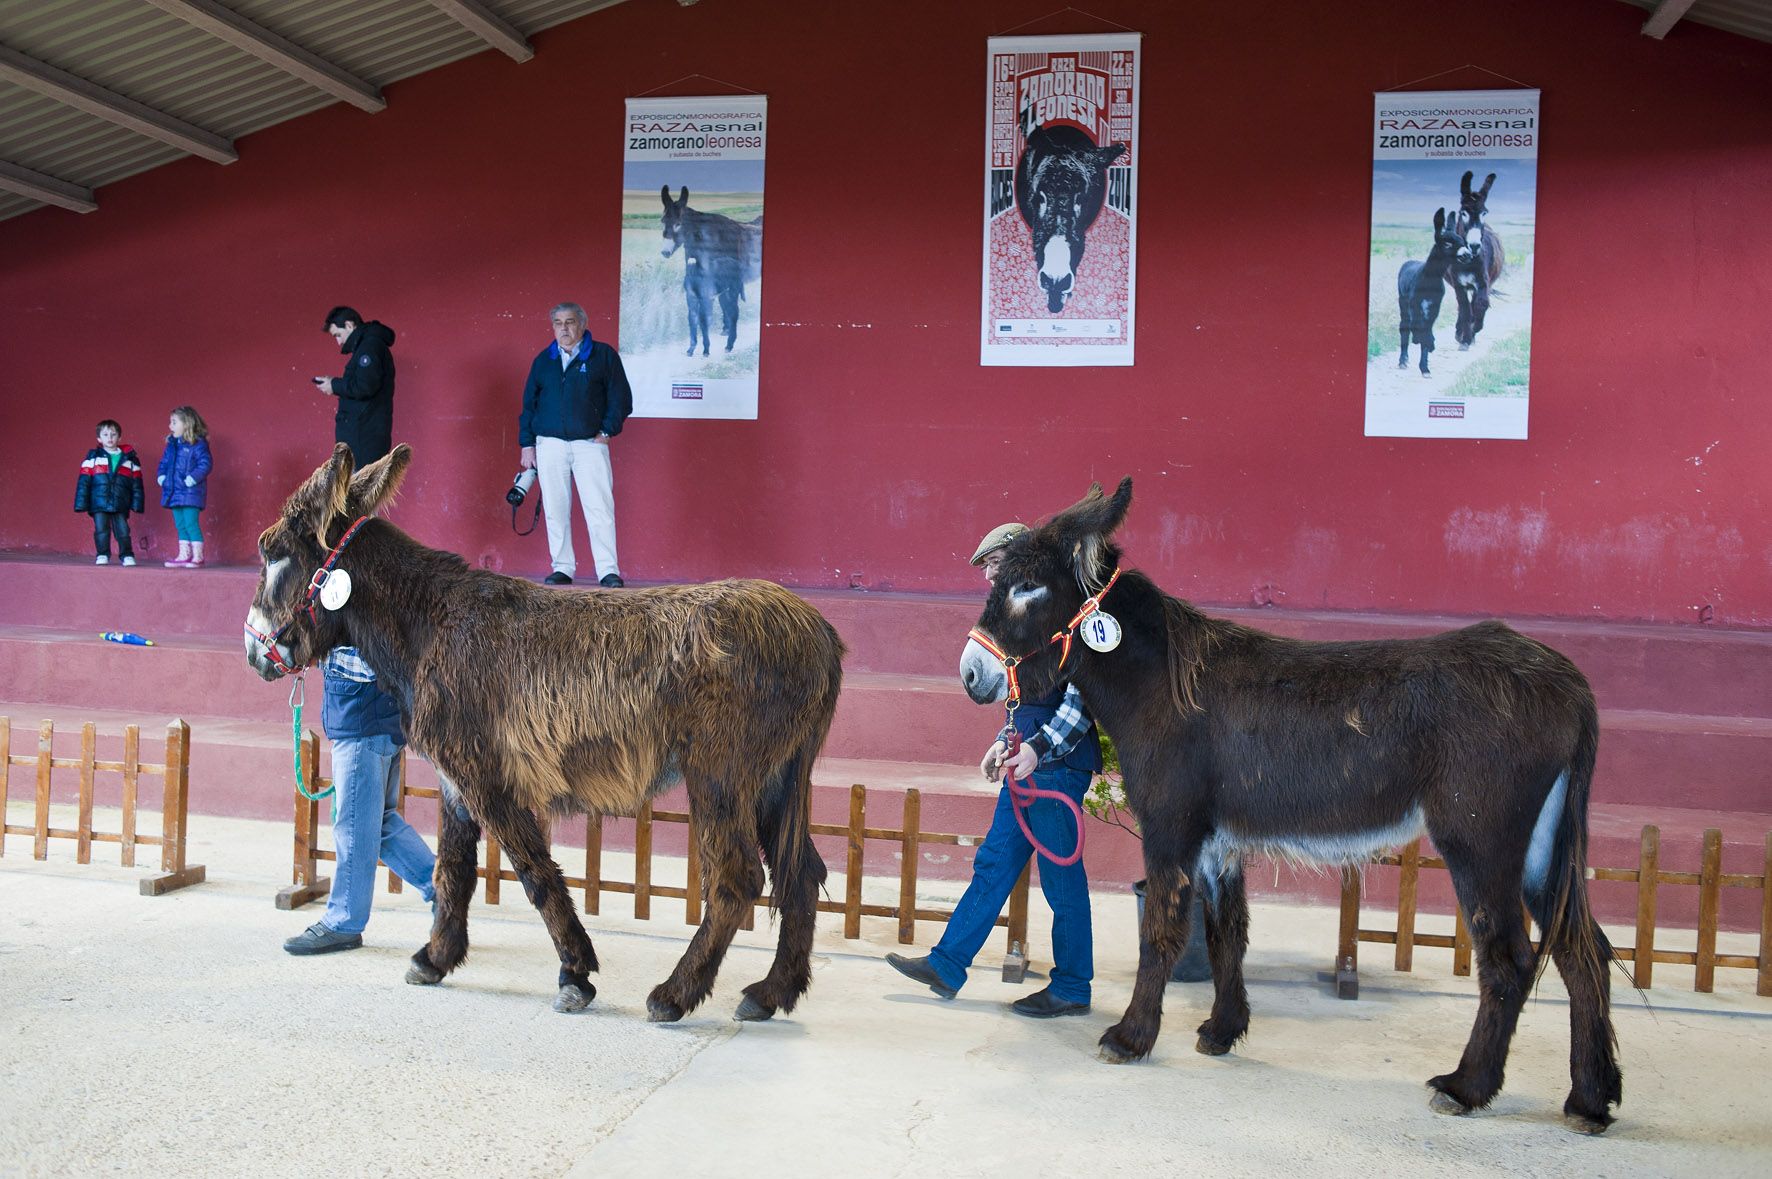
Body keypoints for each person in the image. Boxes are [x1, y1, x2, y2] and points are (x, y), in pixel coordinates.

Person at [885, 522, 1100, 1017]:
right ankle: (948, 963)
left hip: (1055, 768)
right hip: (1029, 765)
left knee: (1061, 878)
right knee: (996, 861)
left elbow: (1081, 696)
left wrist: (1039, 749)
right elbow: (1023, 701)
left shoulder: (1064, 611)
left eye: (995, 564)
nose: (988, 576)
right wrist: (1003, 744)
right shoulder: (1022, 618)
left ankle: (1072, 986)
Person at [284, 646, 438, 954]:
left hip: (363, 721)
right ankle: (445, 889)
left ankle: (344, 921)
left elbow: (371, 661)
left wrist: (316, 652)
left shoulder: (361, 599)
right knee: (377, 823)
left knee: (355, 826)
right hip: (371, 719)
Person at [517, 301, 632, 587]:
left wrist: (607, 430)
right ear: (553, 327)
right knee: (555, 509)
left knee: (599, 507)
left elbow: (622, 398)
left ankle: (607, 570)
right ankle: (563, 567)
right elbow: (528, 406)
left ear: (582, 324)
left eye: (569, 322)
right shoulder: (544, 361)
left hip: (590, 444)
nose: (564, 328)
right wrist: (527, 445)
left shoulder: (603, 356)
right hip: (549, 445)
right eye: (558, 323)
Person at [312, 305, 396, 466]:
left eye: (338, 334)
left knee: (361, 490)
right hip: (363, 439)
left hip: (364, 440)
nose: (339, 342)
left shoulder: (369, 347)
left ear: (349, 325)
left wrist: (334, 385)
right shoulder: (368, 345)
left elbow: (365, 386)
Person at [74, 419, 144, 566]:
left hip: (120, 501)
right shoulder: (92, 458)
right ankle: (102, 554)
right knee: (101, 530)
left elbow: (137, 484)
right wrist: (81, 503)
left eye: (113, 434)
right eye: (105, 434)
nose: (110, 438)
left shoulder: (130, 460)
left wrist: (137, 503)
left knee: (123, 531)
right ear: (99, 439)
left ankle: (126, 555)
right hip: (99, 502)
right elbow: (83, 482)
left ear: (119, 437)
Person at [155, 406, 213, 568]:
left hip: (191, 493)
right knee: (180, 524)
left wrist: (193, 478)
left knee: (190, 523)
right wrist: (161, 476)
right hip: (174, 491)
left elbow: (205, 464)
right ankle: (184, 555)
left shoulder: (198, 444)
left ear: (186, 424)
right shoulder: (172, 445)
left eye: (174, 422)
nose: (170, 426)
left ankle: (198, 556)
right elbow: (164, 463)